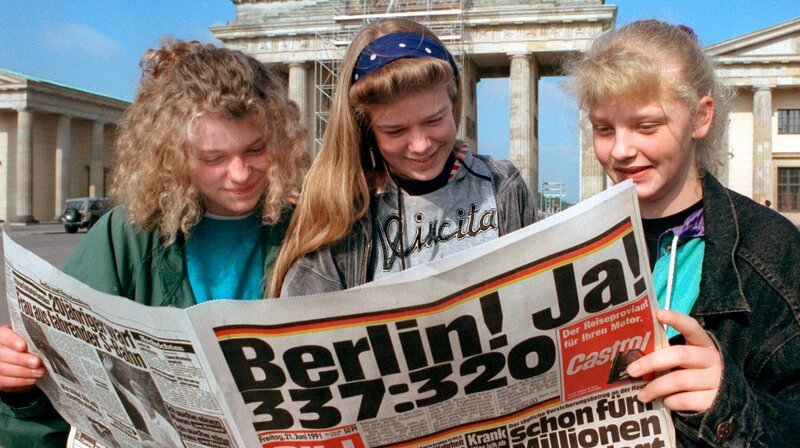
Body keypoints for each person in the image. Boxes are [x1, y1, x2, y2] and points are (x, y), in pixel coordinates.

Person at [0, 39, 308, 447]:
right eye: (213, 158)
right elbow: (57, 387)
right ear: (173, 155)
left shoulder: (310, 228)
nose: (239, 173)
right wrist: (17, 383)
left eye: (256, 150)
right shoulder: (127, 235)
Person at [567, 20, 800, 446]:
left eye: (647, 126)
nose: (620, 150)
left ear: (700, 117)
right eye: (604, 129)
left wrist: (728, 402)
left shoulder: (773, 250)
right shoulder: (572, 242)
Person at [272, 18, 535, 296]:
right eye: (395, 130)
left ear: (455, 102)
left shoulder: (502, 185)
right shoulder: (339, 212)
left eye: (434, 120)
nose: (421, 145)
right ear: (366, 129)